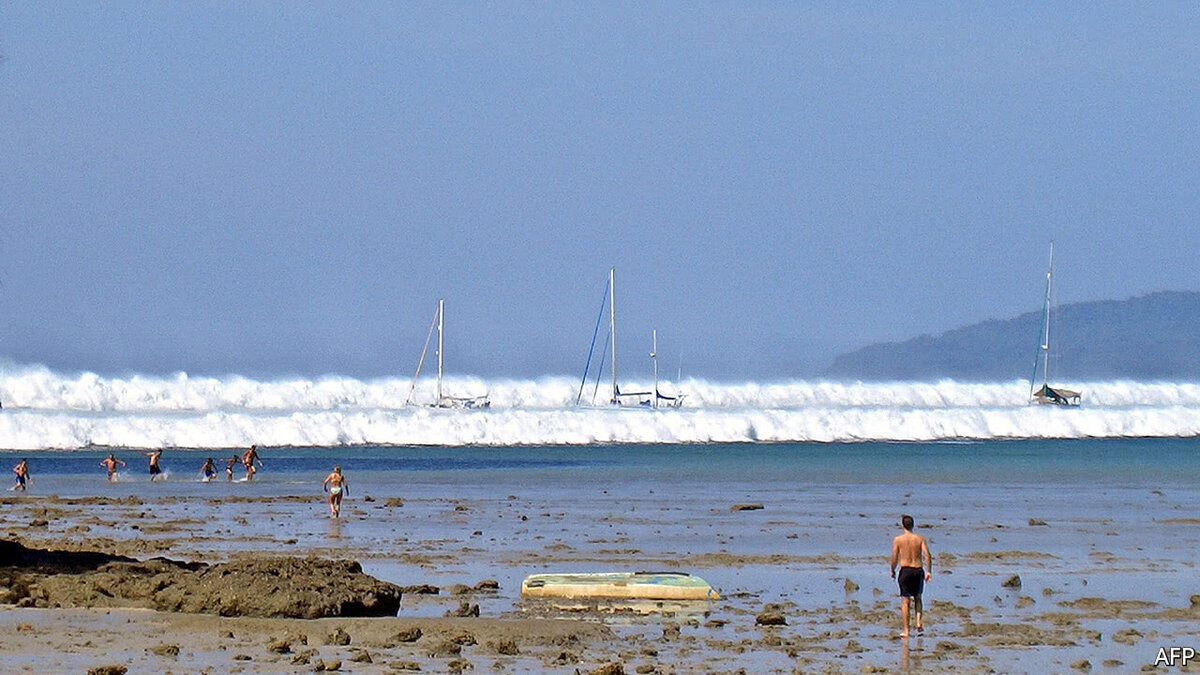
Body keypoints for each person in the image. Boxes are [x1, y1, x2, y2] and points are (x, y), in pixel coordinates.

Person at [890, 514, 932, 637]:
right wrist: (929, 571)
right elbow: (927, 555)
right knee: (918, 597)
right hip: (918, 570)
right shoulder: (919, 539)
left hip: (905, 570)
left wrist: (892, 570)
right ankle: (918, 622)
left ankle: (906, 630)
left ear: (902, 525)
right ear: (913, 525)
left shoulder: (898, 540)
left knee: (905, 601)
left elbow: (894, 557)